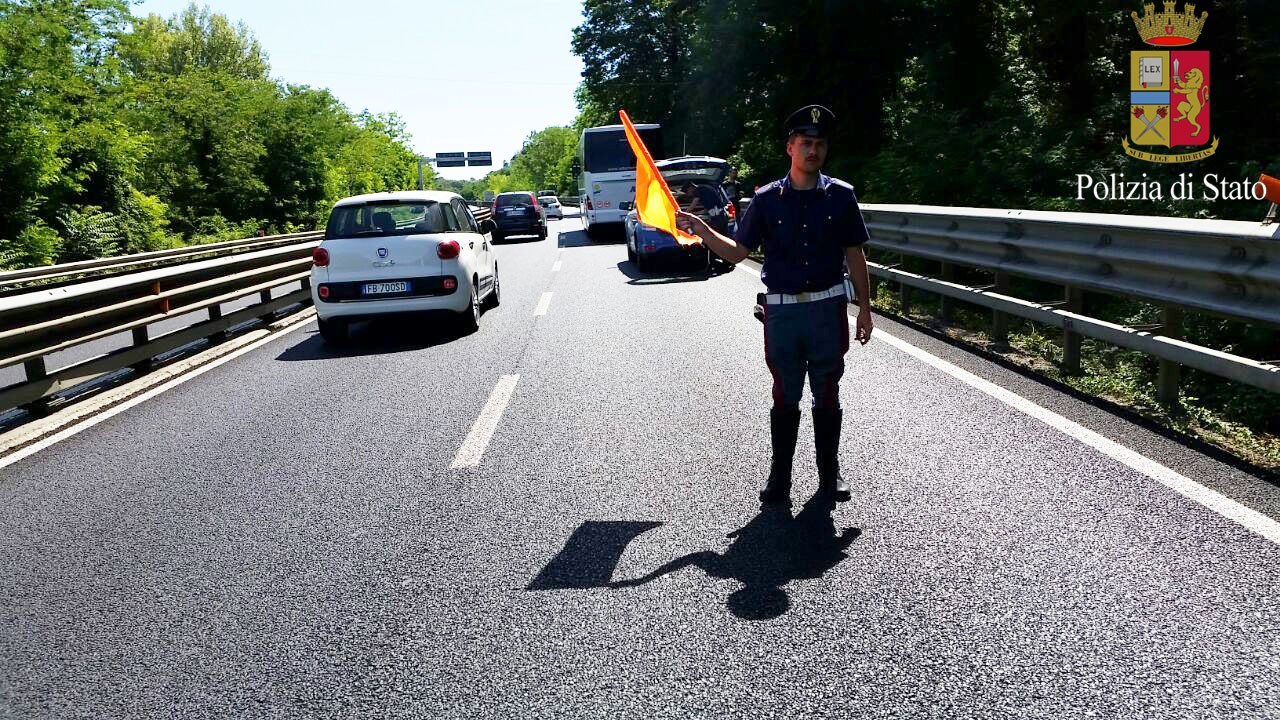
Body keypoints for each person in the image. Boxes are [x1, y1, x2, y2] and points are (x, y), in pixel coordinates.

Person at [675, 104, 873, 506]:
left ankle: (829, 473)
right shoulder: (766, 200)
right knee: (785, 393)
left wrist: (865, 309)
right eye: (805, 143)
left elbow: (855, 255)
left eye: (819, 144)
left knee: (827, 391)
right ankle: (780, 475)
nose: (812, 150)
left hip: (827, 310)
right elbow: (737, 251)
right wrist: (702, 229)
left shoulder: (841, 196)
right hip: (782, 313)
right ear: (790, 148)